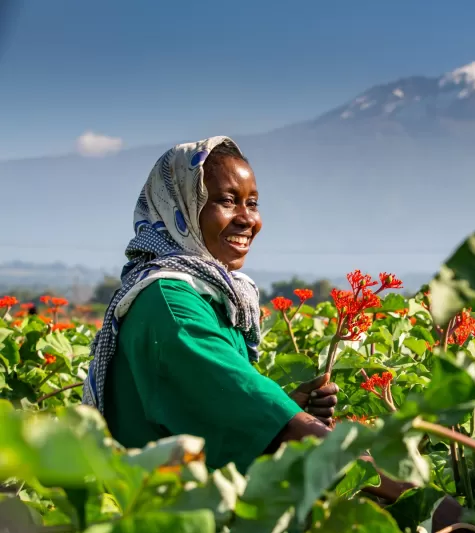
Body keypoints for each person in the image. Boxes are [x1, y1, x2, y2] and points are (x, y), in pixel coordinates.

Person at [80, 137, 417, 503]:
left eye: (252, 203)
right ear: (181, 205)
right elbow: (285, 433)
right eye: (226, 201)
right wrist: (424, 502)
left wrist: (286, 406)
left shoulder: (207, 295)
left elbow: (204, 412)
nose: (247, 219)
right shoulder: (170, 305)